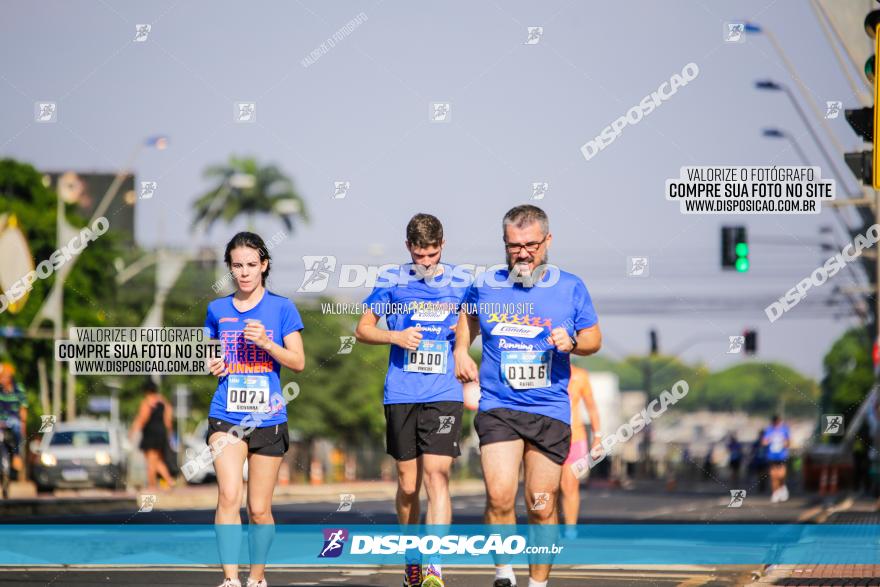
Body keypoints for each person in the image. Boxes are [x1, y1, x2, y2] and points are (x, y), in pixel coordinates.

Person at [454, 205, 602, 587]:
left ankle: (538, 583)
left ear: (547, 241)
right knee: (500, 496)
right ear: (505, 244)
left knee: (541, 503)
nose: (522, 253)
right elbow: (467, 320)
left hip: (549, 409)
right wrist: (459, 351)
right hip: (499, 406)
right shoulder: (486, 285)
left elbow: (593, 339)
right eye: (514, 245)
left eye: (531, 245)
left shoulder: (570, 287)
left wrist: (571, 342)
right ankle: (504, 572)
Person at [355, 213, 467, 587]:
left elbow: (479, 322)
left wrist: (463, 334)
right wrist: (396, 338)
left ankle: (434, 565)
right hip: (402, 391)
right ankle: (412, 558)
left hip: (444, 392)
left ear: (443, 245)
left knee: (437, 475)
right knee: (407, 485)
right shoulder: (392, 280)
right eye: (419, 255)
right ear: (408, 248)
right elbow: (363, 330)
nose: (426, 263)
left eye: (432, 254)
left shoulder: (462, 281)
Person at [205, 232, 306, 587]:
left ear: (264, 265)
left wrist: (266, 342)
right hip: (226, 413)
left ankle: (257, 577)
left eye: (251, 265)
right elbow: (209, 353)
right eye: (237, 265)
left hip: (269, 417)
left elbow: (298, 361)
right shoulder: (217, 310)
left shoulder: (282, 308)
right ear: (229, 268)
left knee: (259, 509)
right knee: (229, 495)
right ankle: (230, 579)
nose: (244, 272)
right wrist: (212, 364)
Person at [559, 365, 601, 538]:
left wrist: (597, 437)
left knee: (569, 485)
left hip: (575, 437)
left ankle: (570, 529)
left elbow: (591, 407)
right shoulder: (544, 369)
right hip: (548, 437)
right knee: (548, 486)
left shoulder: (580, 376)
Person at [130, 380, 175, 490]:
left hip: (150, 433)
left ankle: (152, 485)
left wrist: (133, 431)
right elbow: (168, 418)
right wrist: (169, 433)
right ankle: (169, 480)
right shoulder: (163, 401)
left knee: (150, 460)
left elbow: (142, 418)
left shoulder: (147, 402)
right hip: (161, 433)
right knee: (157, 460)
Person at [0, 363, 27, 481]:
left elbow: (23, 408)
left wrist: (23, 423)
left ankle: (16, 455)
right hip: (1, 420)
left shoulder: (18, 388)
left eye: (4, 376)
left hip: (13, 419)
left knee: (16, 427)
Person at [762, 414, 791, 503]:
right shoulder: (769, 430)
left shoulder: (784, 429)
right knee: (774, 476)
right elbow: (764, 442)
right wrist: (769, 440)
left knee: (781, 475)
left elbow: (788, 442)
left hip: (782, 455)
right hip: (772, 455)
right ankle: (775, 492)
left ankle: (782, 487)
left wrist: (784, 442)